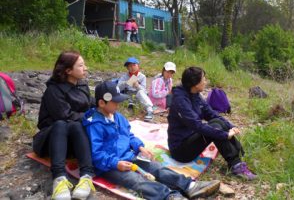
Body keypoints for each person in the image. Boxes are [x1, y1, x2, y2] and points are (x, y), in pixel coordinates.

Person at [83, 81, 221, 200]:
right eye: (115, 102)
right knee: (135, 180)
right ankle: (168, 196)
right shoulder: (94, 124)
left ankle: (190, 186)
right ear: (102, 102)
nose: (118, 105)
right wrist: (116, 163)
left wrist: (139, 147)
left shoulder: (117, 117)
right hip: (110, 166)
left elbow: (129, 136)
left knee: (156, 167)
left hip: (129, 155)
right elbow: (96, 154)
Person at [167, 67, 257, 180]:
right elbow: (197, 125)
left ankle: (238, 156)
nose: (206, 81)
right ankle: (236, 165)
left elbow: (211, 113)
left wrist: (231, 126)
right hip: (181, 150)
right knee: (215, 128)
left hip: (191, 137)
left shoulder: (195, 94)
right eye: (203, 79)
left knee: (218, 122)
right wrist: (224, 135)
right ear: (195, 84)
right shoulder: (180, 100)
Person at [32, 51, 95, 200]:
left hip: (73, 140)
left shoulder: (81, 85)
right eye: (81, 65)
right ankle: (59, 178)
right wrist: (90, 117)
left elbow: (90, 104)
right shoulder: (53, 91)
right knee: (63, 123)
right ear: (68, 71)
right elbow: (65, 116)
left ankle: (86, 176)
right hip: (51, 139)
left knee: (76, 126)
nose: (86, 68)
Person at [117, 57, 154, 121]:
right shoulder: (125, 76)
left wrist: (138, 86)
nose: (132, 67)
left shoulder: (142, 76)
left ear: (138, 66)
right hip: (127, 94)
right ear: (127, 68)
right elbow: (117, 88)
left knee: (141, 92)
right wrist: (126, 83)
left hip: (137, 94)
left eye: (134, 65)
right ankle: (130, 106)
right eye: (130, 66)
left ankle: (150, 111)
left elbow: (144, 91)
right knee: (116, 94)